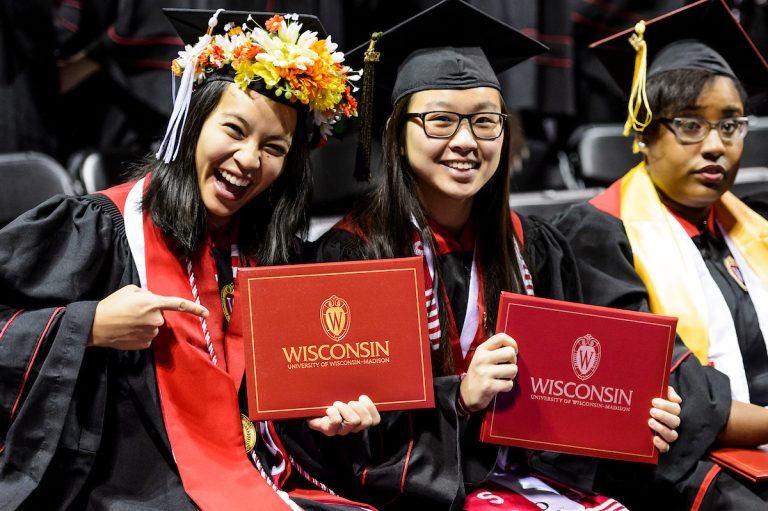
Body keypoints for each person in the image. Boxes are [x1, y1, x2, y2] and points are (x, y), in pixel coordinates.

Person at [276, 1, 682, 509]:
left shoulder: (534, 246)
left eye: (485, 122)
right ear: (397, 134)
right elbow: (337, 436)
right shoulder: (351, 257)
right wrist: (458, 397)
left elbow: (576, 393)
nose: (466, 141)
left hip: (530, 481)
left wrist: (635, 414)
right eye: (441, 121)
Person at [0, 8, 380, 511]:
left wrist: (333, 420)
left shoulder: (276, 257)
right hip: (130, 491)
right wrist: (88, 325)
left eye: (274, 147)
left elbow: (282, 424)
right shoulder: (100, 228)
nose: (249, 159)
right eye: (234, 130)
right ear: (191, 124)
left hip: (263, 482)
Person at [553, 0, 768, 507]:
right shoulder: (597, 236)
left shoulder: (754, 226)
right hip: (675, 465)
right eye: (690, 125)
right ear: (644, 131)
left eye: (731, 125)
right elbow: (670, 395)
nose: (715, 145)